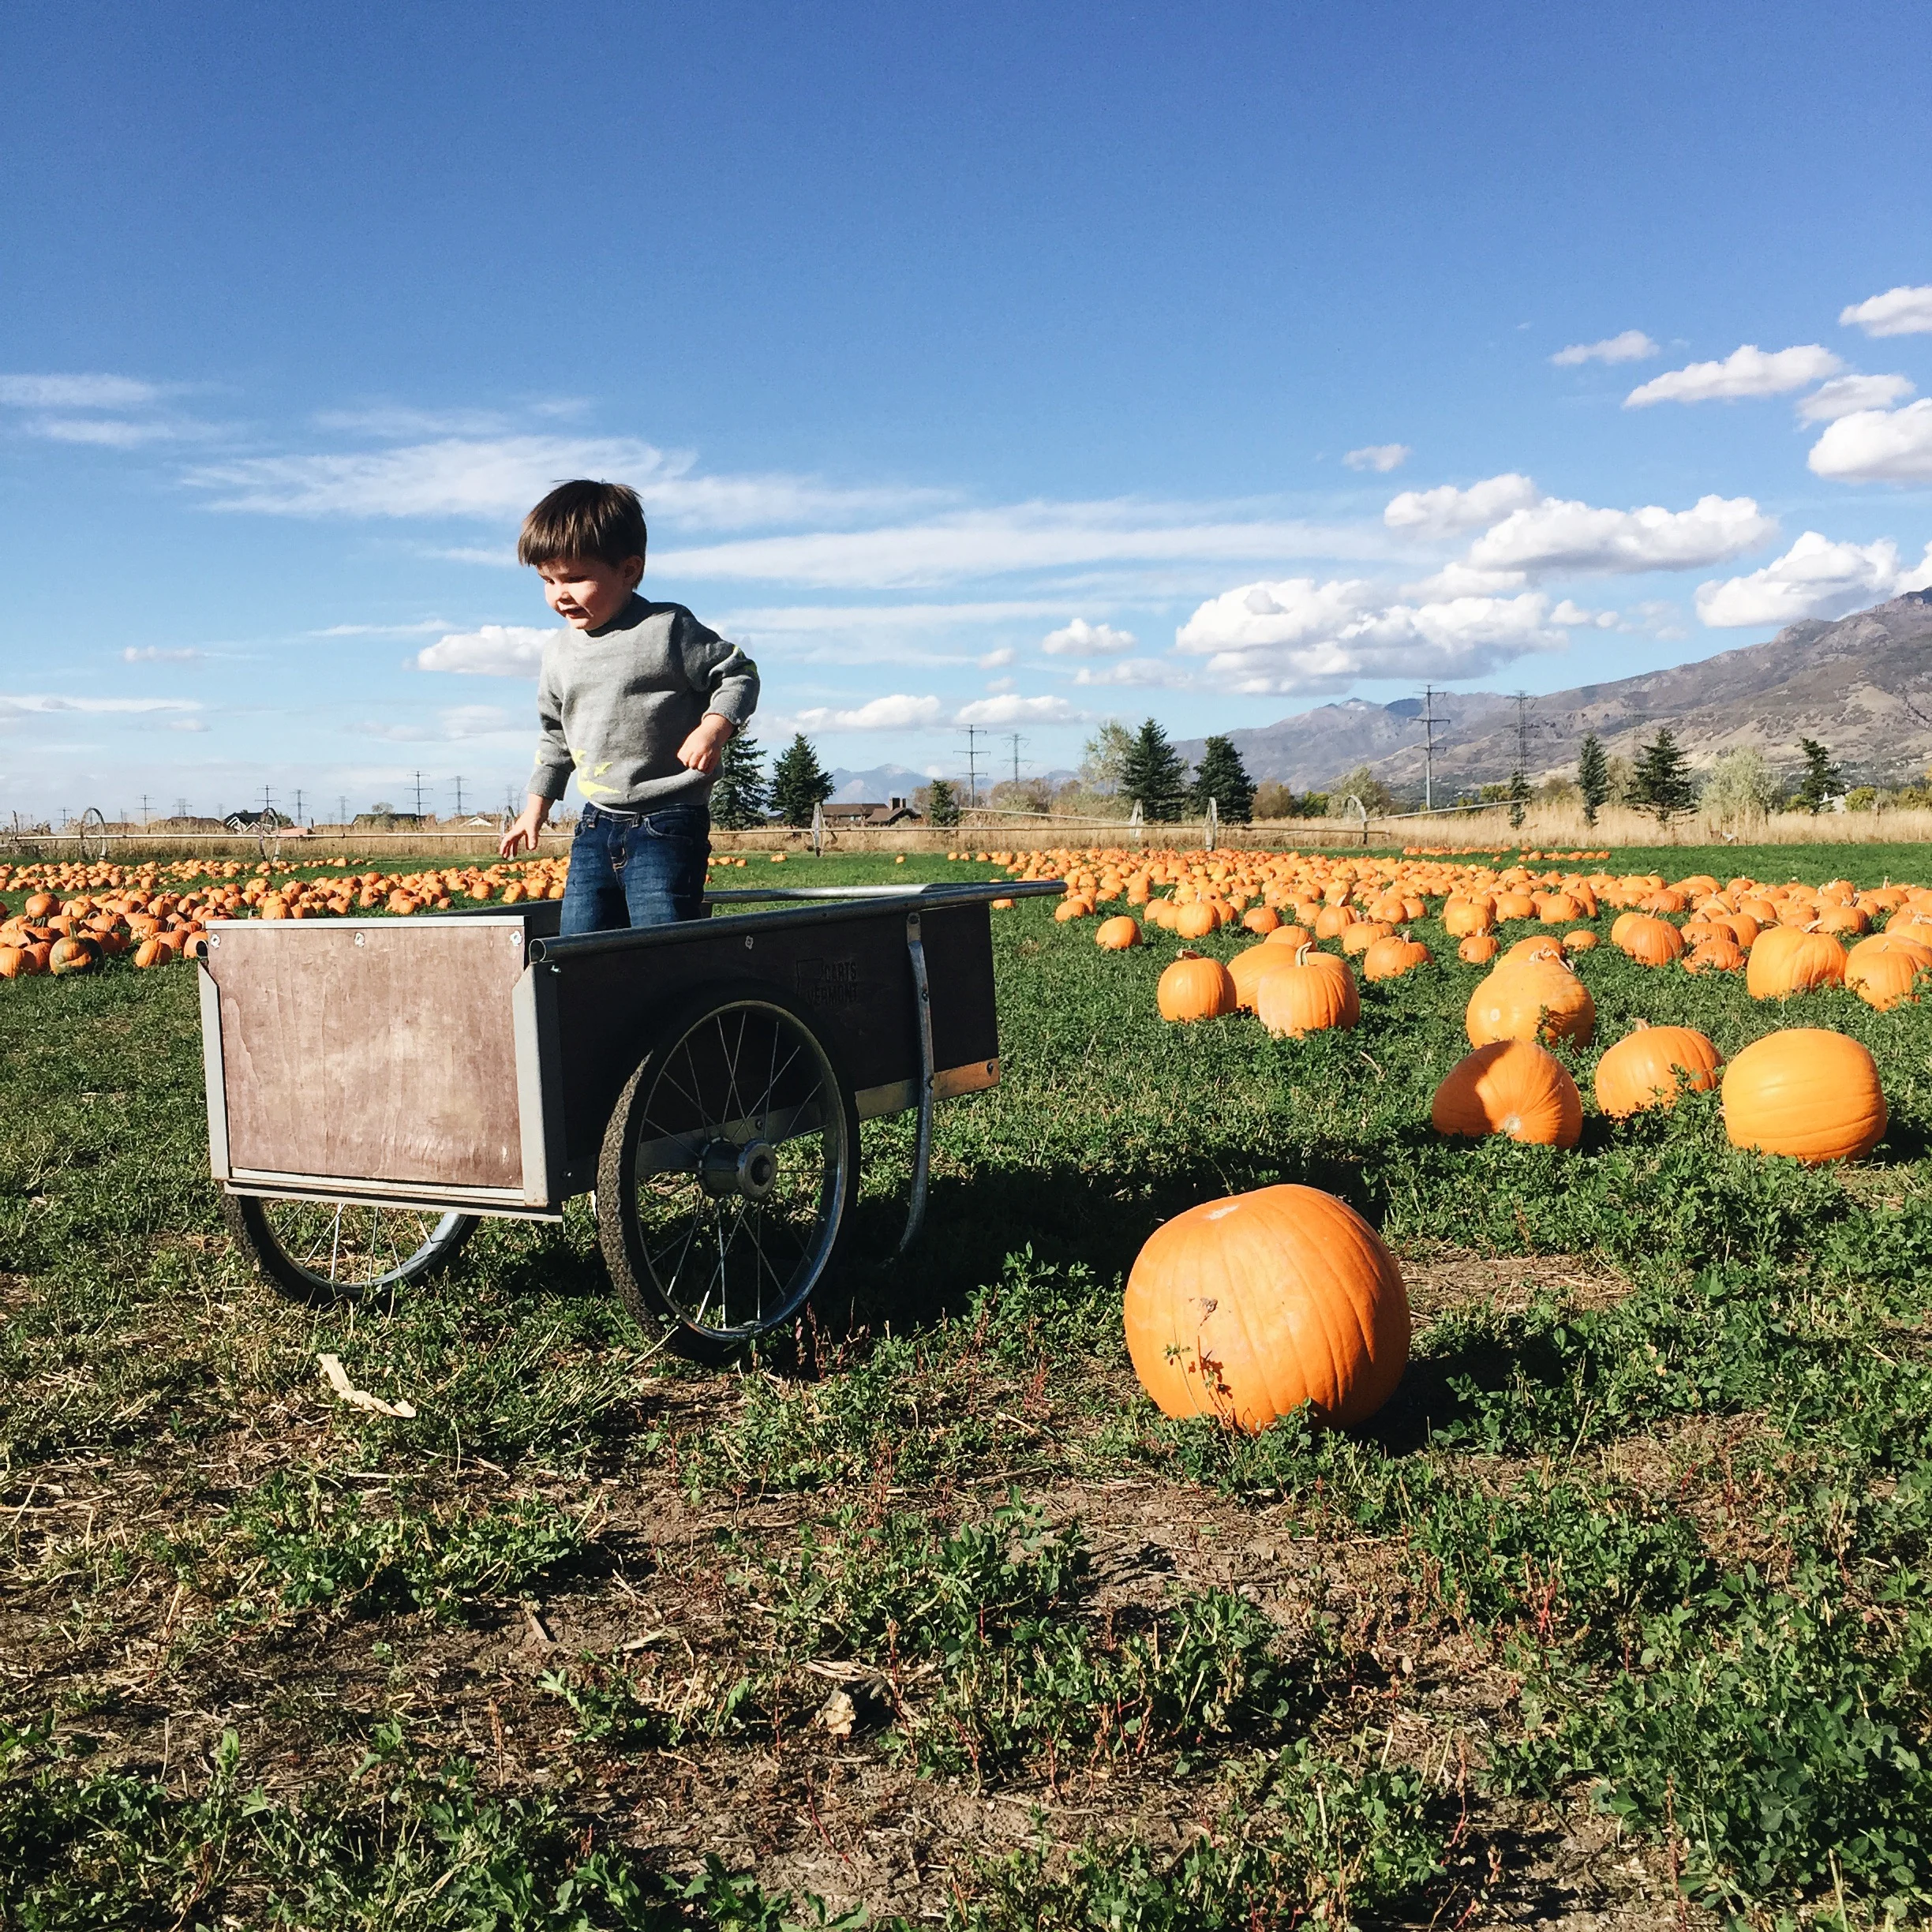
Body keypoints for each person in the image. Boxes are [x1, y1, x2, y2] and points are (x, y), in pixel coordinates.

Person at [499, 480, 759, 934]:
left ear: (629, 570)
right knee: (580, 944)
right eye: (548, 580)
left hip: (669, 820)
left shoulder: (667, 628)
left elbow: (738, 673)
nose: (560, 593)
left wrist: (714, 726)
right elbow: (555, 736)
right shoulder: (557, 653)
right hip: (595, 825)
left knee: (659, 944)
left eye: (576, 578)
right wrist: (535, 808)